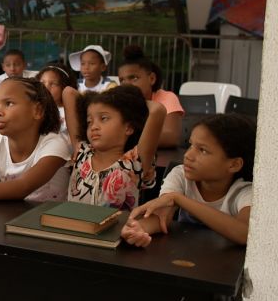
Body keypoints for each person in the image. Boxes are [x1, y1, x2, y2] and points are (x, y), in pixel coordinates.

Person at [122, 113, 255, 247]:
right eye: (191, 146)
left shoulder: (244, 192)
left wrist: (178, 198)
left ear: (234, 164)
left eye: (203, 150)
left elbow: (244, 233)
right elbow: (162, 215)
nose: (188, 155)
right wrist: (137, 229)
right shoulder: (181, 175)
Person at [64, 84, 166, 211]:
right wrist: (104, 98)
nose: (94, 126)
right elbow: (69, 93)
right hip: (72, 228)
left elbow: (157, 110)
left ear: (128, 128)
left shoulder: (135, 162)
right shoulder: (82, 153)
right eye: (89, 121)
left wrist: (129, 102)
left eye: (104, 118)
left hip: (115, 230)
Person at [117, 44, 185, 148]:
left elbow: (171, 137)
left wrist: (126, 138)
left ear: (152, 78)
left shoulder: (167, 98)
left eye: (134, 78)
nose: (126, 84)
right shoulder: (120, 101)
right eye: (122, 80)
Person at [36, 63, 77, 141]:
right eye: (42, 83)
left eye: (53, 84)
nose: (46, 87)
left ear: (64, 86)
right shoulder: (36, 108)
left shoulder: (70, 110)